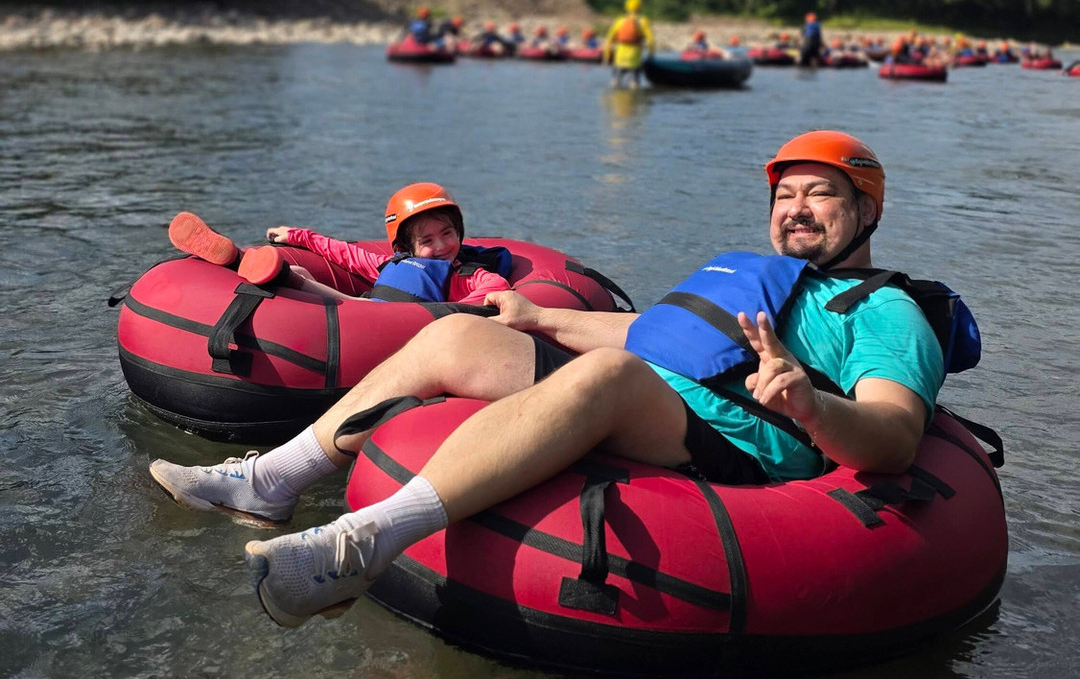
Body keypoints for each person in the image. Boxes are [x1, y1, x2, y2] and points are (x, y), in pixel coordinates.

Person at [151, 131, 950, 629]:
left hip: (748, 441)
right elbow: (656, 336)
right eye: (785, 195)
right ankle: (269, 480)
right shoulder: (757, 278)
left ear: (867, 210)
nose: (797, 208)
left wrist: (813, 406)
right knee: (458, 333)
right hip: (664, 393)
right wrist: (539, 318)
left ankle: (359, 546)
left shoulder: (884, 313)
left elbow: (894, 434)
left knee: (610, 376)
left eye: (822, 194)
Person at [164, 182, 511, 305]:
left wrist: (448, 313)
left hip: (394, 320)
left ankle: (251, 263)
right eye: (428, 240)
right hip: (364, 309)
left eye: (447, 234)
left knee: (299, 279)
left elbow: (495, 288)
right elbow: (345, 254)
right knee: (300, 272)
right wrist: (299, 236)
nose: (441, 246)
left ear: (459, 231)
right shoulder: (389, 265)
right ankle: (240, 261)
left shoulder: (467, 273)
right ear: (406, 246)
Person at [603, 0, 655, 89]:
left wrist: (606, 57)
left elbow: (609, 39)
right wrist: (651, 54)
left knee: (614, 84)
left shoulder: (620, 21)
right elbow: (651, 40)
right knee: (634, 86)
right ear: (640, 7)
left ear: (626, 7)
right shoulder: (643, 21)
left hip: (619, 59)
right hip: (634, 60)